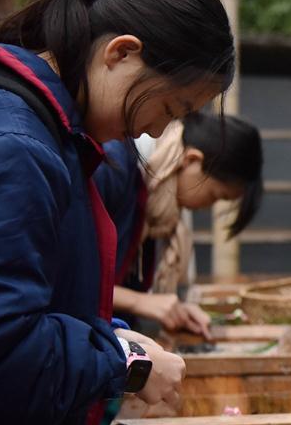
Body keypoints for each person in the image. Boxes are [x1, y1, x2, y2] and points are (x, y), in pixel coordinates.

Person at [0, 0, 234, 425]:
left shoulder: (50, 134)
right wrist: (125, 359)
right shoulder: (17, 147)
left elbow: (38, 302)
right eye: (170, 105)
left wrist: (115, 335)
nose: (159, 128)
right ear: (121, 52)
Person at [95, 111, 264, 335]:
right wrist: (138, 302)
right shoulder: (110, 165)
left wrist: (171, 308)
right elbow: (69, 280)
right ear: (192, 160)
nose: (208, 206)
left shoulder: (157, 203)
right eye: (216, 195)